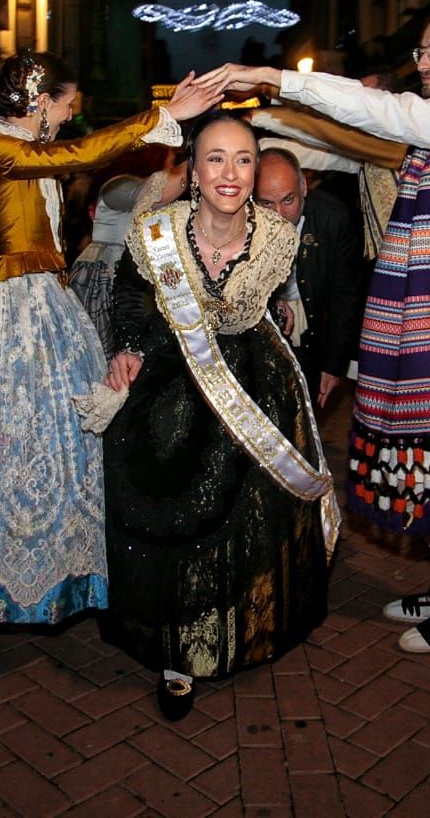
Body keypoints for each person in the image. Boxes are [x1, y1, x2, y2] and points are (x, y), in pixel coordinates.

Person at [204, 2, 430, 654]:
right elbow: (349, 145)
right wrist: (253, 127)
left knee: (428, 472)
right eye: (422, 51)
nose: (425, 62)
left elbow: (383, 116)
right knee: (421, 467)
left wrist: (270, 78)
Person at [0, 52, 215, 625]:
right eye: (65, 105)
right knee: (4, 436)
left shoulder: (17, 151)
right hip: (12, 304)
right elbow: (75, 154)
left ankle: (62, 567)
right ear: (41, 101)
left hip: (45, 298)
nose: (68, 117)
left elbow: (66, 155)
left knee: (56, 433)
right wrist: (159, 115)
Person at [97, 110, 338, 719]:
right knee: (170, 509)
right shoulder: (156, 231)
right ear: (194, 170)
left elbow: (273, 304)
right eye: (215, 158)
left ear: (256, 171)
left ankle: (235, 633)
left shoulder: (279, 237)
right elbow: (130, 293)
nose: (230, 173)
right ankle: (179, 653)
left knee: (245, 520)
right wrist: (127, 345)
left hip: (253, 383)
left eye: (244, 159)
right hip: (169, 379)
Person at [254, 146, 363, 408]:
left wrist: (333, 365)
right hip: (258, 328)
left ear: (303, 187)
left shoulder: (334, 218)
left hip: (313, 328)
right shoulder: (239, 218)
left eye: (288, 200)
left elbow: (345, 295)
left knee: (305, 413)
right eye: (267, 203)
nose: (279, 214)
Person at [69, 174, 144, 359]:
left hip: (122, 269)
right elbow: (155, 192)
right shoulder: (121, 185)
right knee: (100, 351)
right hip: (105, 269)